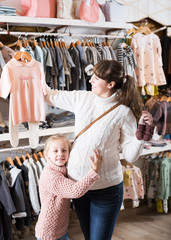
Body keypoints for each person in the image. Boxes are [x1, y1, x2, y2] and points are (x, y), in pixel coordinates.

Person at [45, 60, 153, 240]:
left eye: (96, 78)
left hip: (106, 190)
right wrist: (28, 66)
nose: (90, 81)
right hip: (78, 186)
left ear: (110, 84)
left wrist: (140, 138)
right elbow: (49, 95)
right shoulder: (82, 98)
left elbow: (130, 155)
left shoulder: (123, 112)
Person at [35, 134, 102, 240]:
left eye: (64, 150)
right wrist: (94, 171)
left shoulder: (61, 169)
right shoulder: (52, 176)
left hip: (59, 230)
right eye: (55, 151)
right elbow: (75, 191)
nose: (60, 154)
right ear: (47, 155)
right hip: (49, 233)